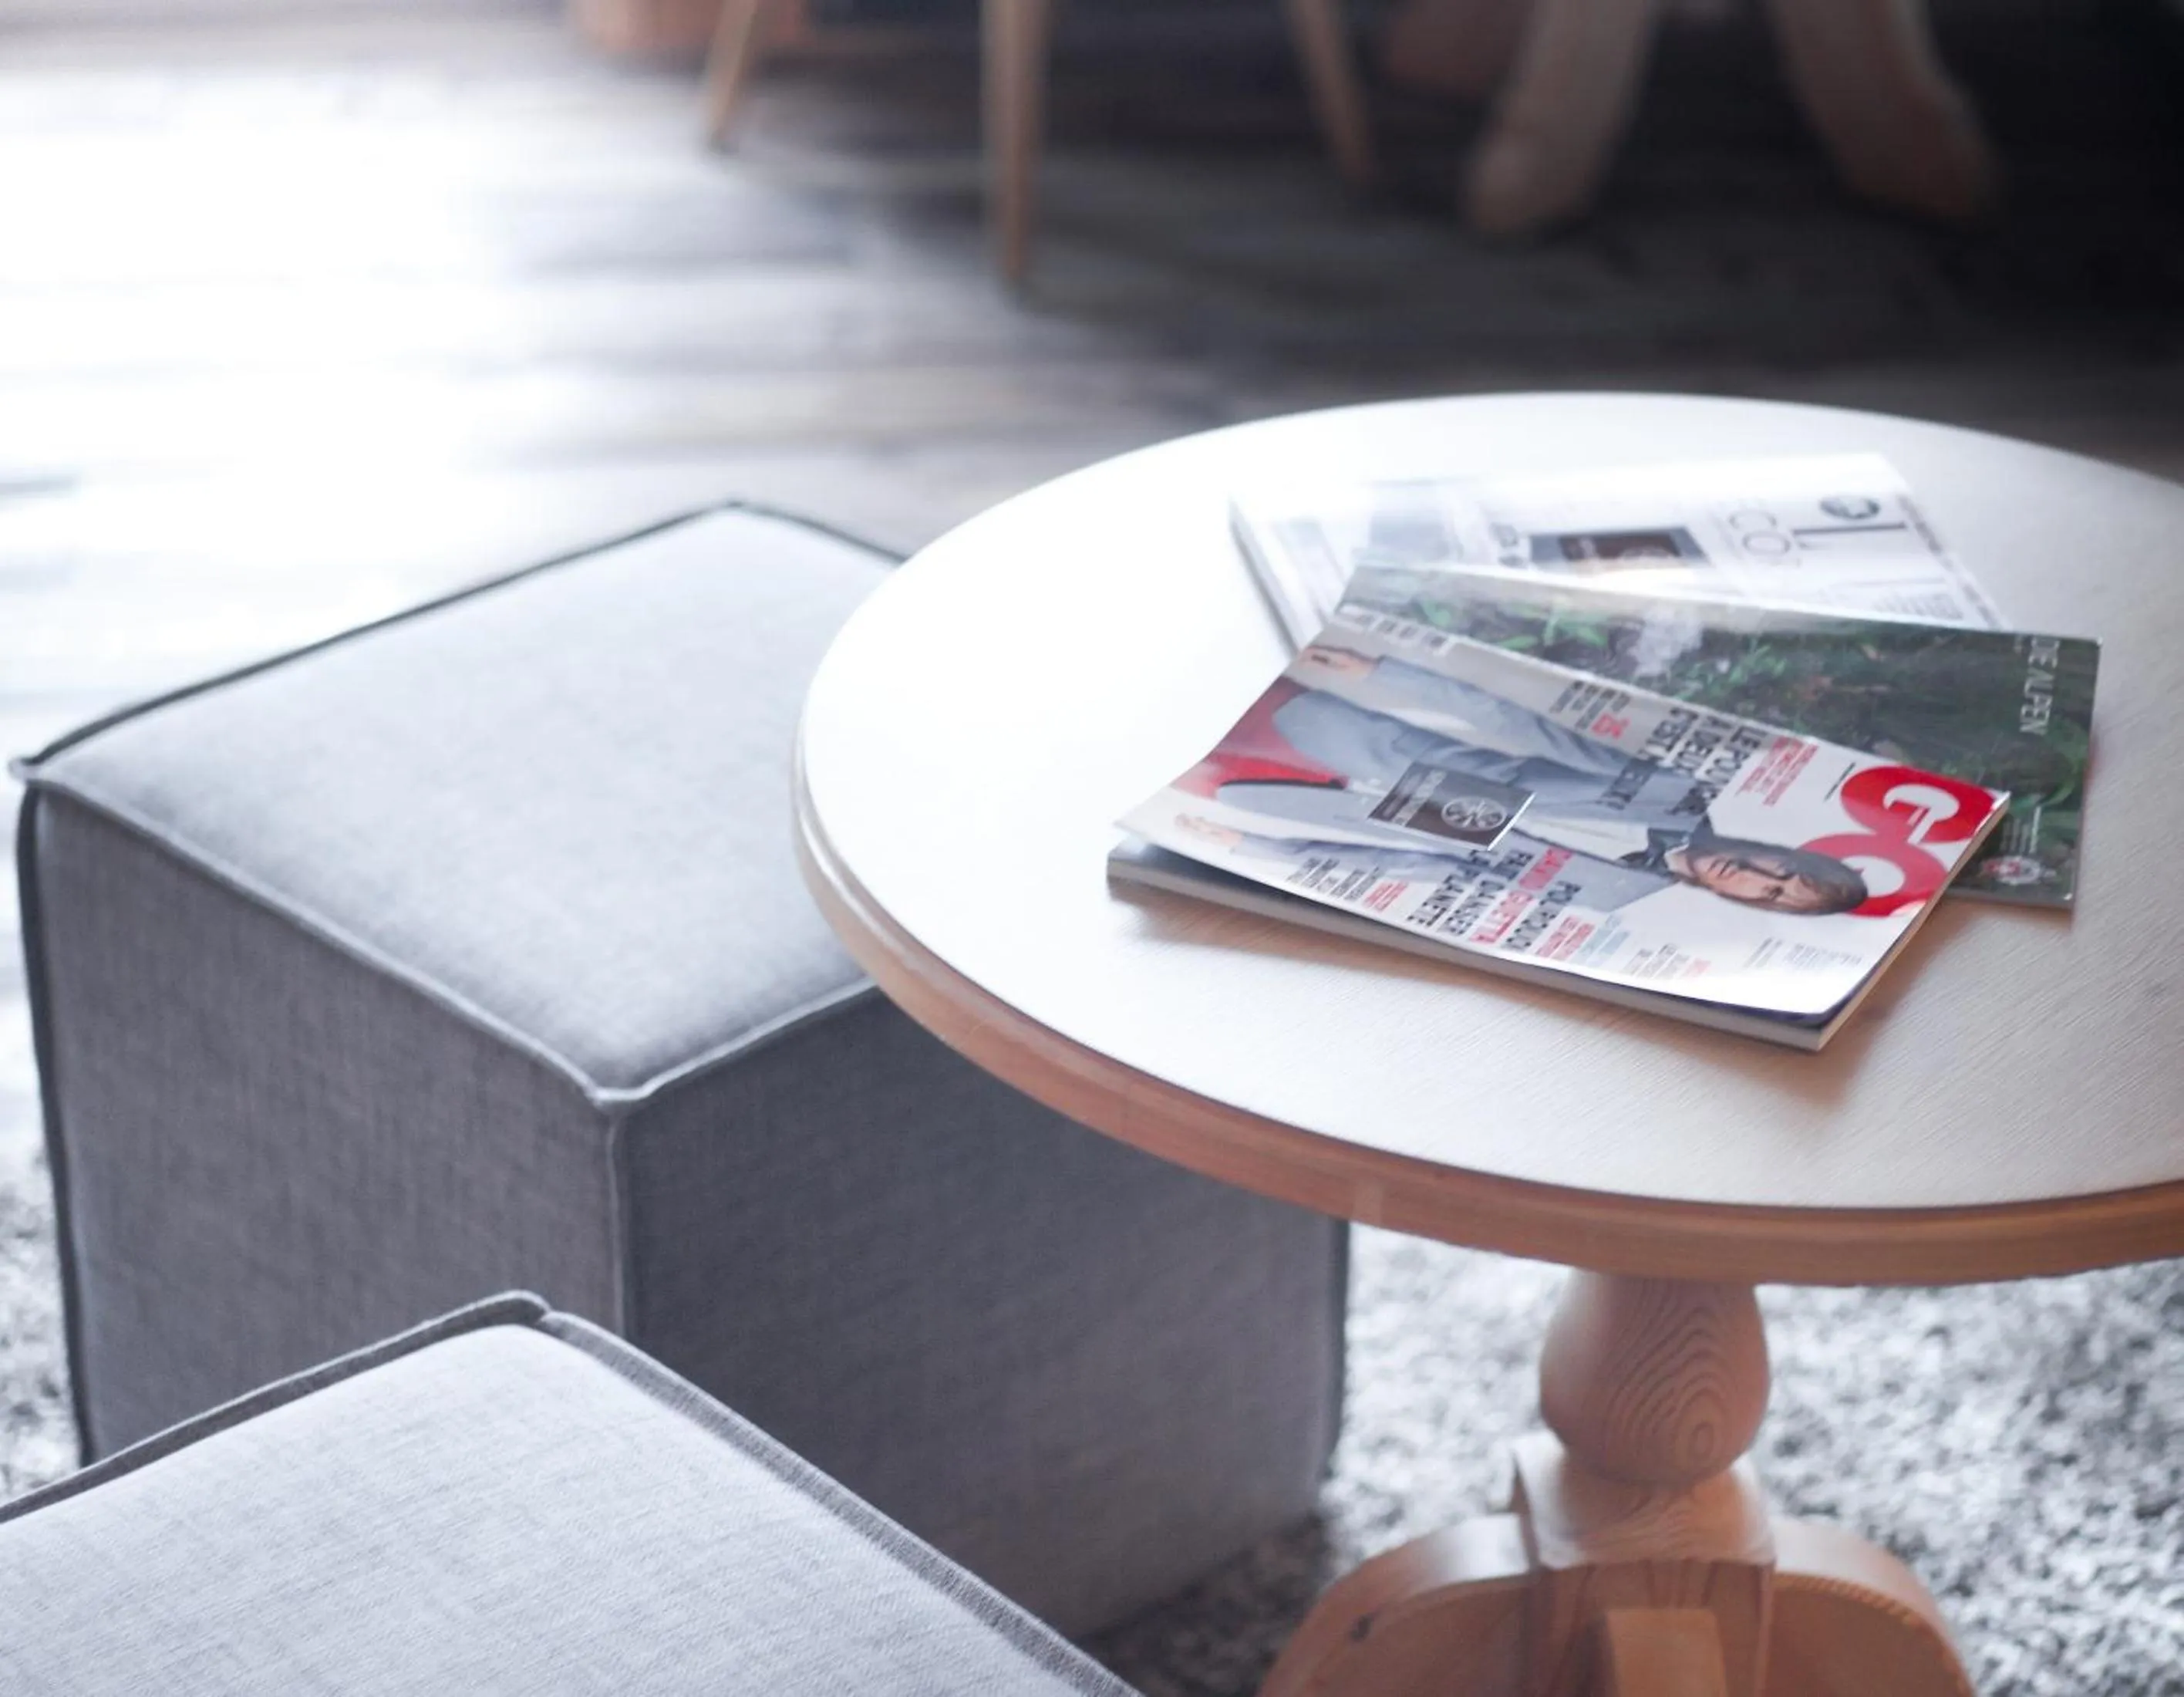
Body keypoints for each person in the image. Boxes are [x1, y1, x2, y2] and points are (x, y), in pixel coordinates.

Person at [1180, 644, 1867, 917]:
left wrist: (1258, 848)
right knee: (1174, 685)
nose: (1752, 873)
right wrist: (1386, 673)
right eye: (1782, 868)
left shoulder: (1612, 895)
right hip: (1327, 734)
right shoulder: (1675, 792)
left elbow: (1419, 863)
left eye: (1770, 893)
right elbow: (1522, 726)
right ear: (1785, 849)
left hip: (1293, 804)